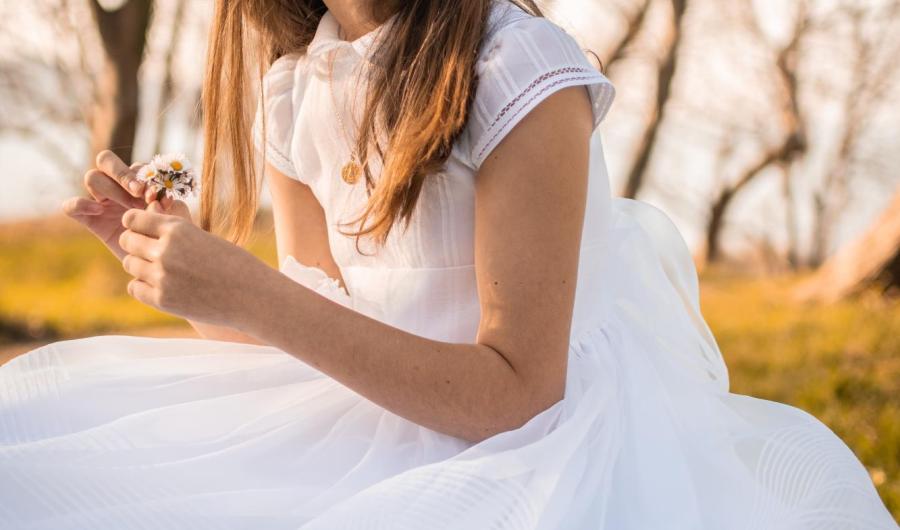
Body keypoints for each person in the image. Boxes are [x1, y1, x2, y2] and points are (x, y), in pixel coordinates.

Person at [1, 0, 895, 528]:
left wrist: (255, 294)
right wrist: (183, 271)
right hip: (359, 413)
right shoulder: (295, 87)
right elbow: (309, 321)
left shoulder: (516, 69)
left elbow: (518, 390)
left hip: (529, 443)